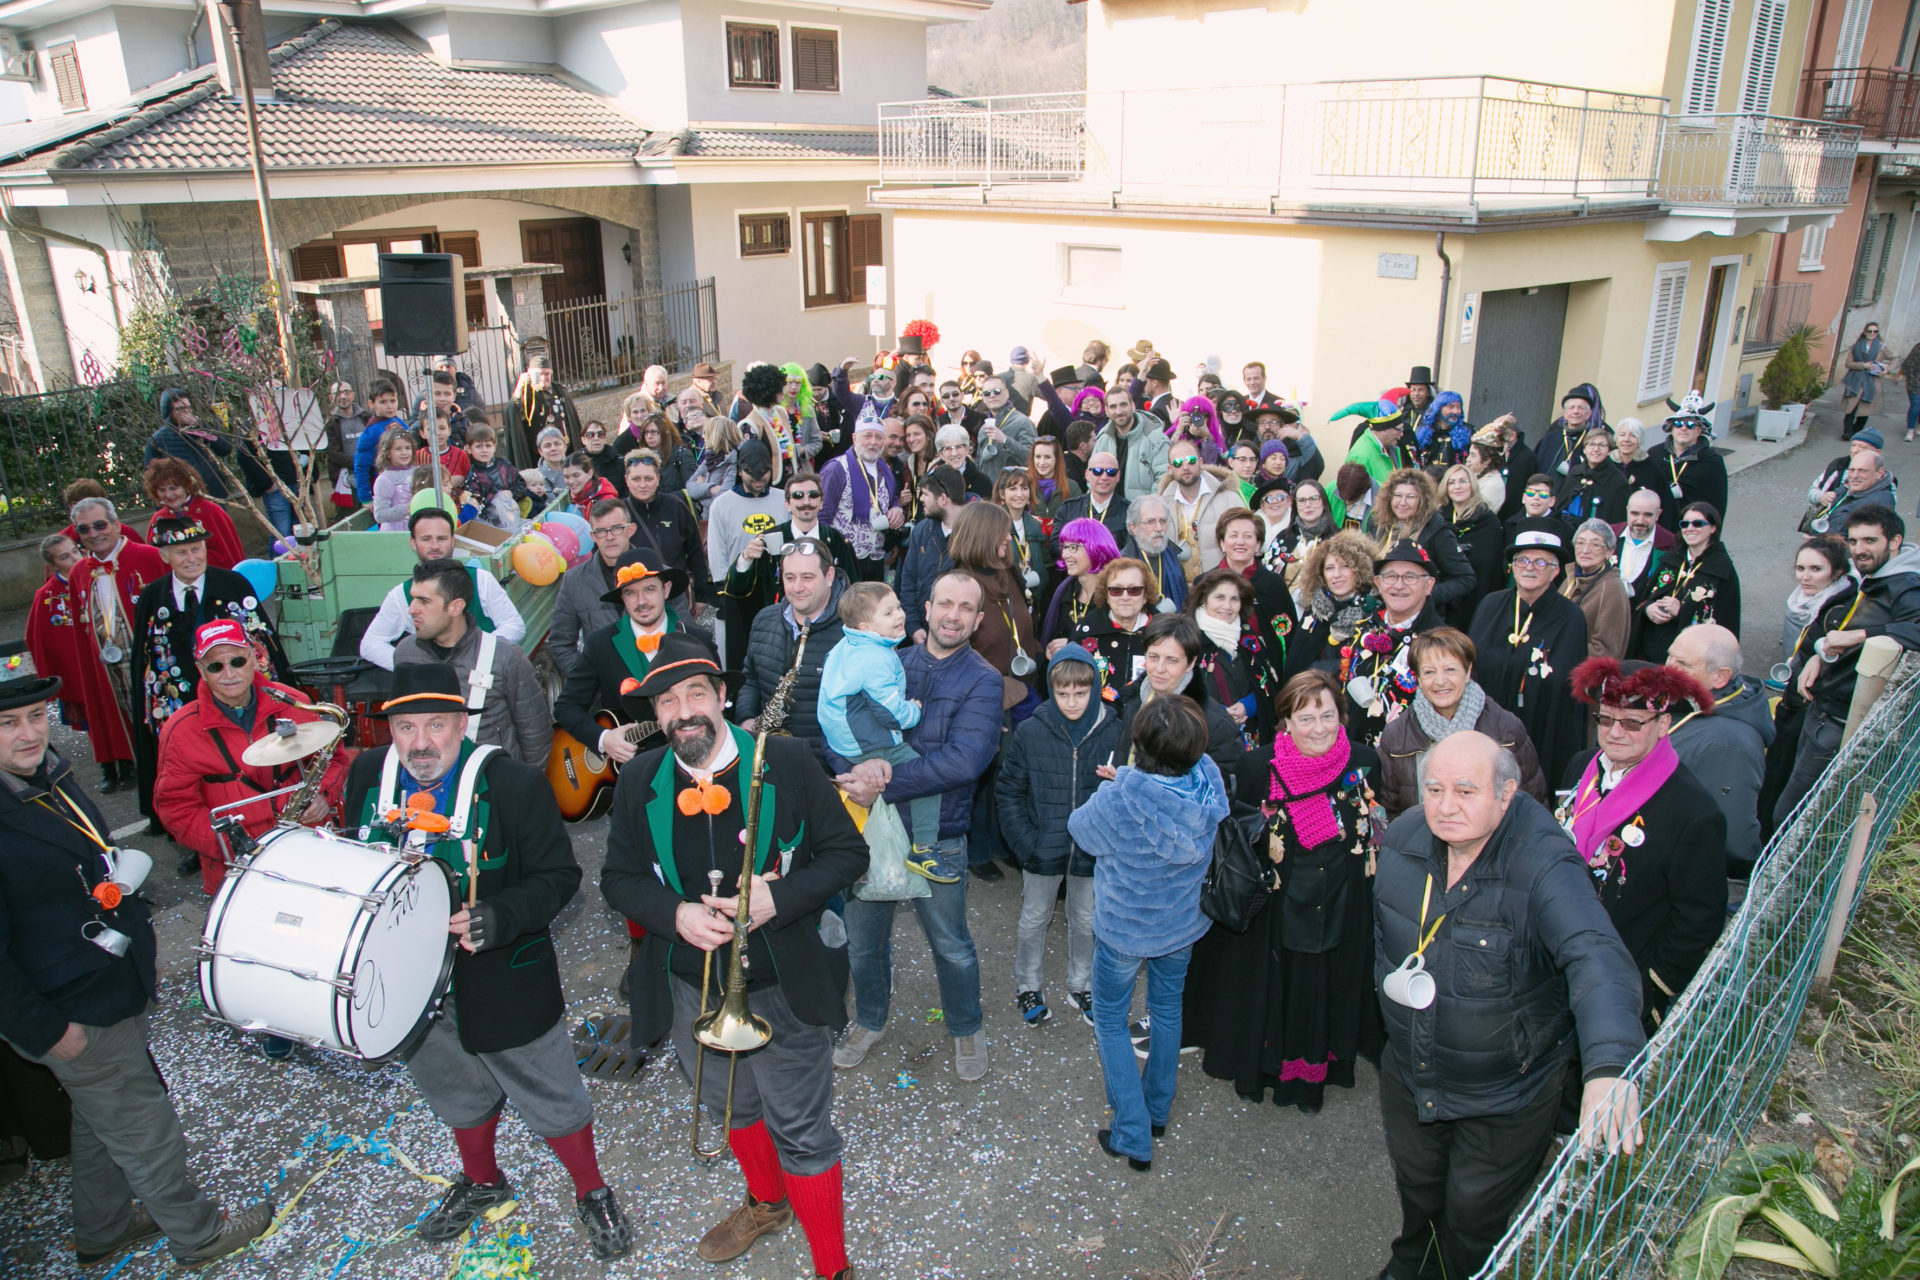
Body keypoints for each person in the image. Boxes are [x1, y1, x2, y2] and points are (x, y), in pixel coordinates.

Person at [599, 637, 865, 1279]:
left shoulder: (789, 760)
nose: (683, 711)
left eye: (696, 693)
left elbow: (847, 854)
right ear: (655, 714)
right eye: (667, 701)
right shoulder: (638, 779)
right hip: (690, 985)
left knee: (802, 1129)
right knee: (732, 1106)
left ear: (721, 697)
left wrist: (780, 898)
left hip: (780, 981)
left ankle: (833, 1267)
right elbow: (618, 878)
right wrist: (674, 914)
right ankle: (768, 1203)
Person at [344, 665, 630, 1259]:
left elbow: (561, 877)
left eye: (435, 725)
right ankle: (482, 1180)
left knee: (551, 1090)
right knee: (450, 1084)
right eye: (406, 727)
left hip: (503, 974)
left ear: (460, 724)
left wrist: (498, 917)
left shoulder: (514, 783)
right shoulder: (369, 774)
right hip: (408, 982)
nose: (421, 742)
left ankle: (591, 1188)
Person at [0, 672, 277, 1269]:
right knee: (144, 1126)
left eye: (36, 717)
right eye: (8, 724)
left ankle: (102, 1226)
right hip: (72, 1010)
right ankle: (198, 1235)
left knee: (102, 1116)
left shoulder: (47, 775)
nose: (29, 734)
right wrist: (47, 1032)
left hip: (108, 982)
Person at [1373, 731, 1646, 1280]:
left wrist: (1610, 1066)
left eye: (1465, 791)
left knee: (1472, 1217)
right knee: (1419, 1193)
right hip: (1413, 1075)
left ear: (1506, 793)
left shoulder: (1544, 863)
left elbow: (1595, 956)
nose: (1445, 807)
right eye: (1434, 789)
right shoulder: (1403, 839)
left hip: (1504, 1094)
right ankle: (1413, 1266)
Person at [1185, 668, 1383, 1111]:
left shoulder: (1364, 761)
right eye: (1306, 718)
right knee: (1280, 990)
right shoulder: (1259, 767)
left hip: (1341, 901)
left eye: (1327, 716)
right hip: (1277, 910)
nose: (1319, 728)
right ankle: (1272, 1070)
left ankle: (1317, 1075)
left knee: (1325, 989)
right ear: (1286, 722)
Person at [831, 571, 1001, 1083]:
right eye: (945, 603)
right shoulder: (885, 659)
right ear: (925, 609)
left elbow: (963, 762)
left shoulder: (983, 680)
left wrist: (881, 785)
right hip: (869, 830)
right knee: (864, 943)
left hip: (937, 834)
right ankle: (870, 1019)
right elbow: (836, 722)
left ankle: (966, 1026)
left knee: (951, 944)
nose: (953, 615)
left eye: (965, 608)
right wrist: (852, 771)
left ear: (978, 620)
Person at [1068, 697, 1230, 1171]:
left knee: (1110, 1019)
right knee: (1166, 1009)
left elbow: (1081, 830)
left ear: (1138, 746)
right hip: (1181, 924)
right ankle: (1157, 1109)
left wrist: (1118, 784)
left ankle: (1132, 1132)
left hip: (1125, 928)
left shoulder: (1121, 798)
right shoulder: (1208, 778)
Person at [1562, 658, 1728, 1030]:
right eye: (1606, 719)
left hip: (1621, 980)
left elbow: (1698, 921)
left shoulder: (1693, 813)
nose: (1615, 733)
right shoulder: (1580, 766)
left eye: (1632, 723)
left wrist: (1650, 990)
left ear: (1663, 724)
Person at [154, 619, 346, 903]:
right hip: (237, 867)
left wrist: (323, 795)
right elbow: (176, 808)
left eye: (237, 661)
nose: (229, 674)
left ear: (253, 658)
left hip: (307, 849)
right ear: (201, 670)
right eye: (215, 666)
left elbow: (334, 759)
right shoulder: (180, 730)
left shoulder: (293, 701)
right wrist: (230, 844)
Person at [130, 516, 286, 832]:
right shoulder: (152, 597)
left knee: (241, 763)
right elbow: (144, 663)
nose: (191, 558)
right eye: (181, 552)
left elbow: (264, 646)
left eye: (196, 549)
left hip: (235, 695)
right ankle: (200, 829)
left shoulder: (232, 585)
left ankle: (267, 816)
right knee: (194, 768)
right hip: (181, 703)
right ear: (164, 556)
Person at [998, 646, 1120, 1027]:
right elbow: (1009, 790)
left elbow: (1126, 791)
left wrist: (1109, 838)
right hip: (1042, 847)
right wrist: (1025, 843)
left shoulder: (1114, 731)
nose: (1071, 702)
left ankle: (1081, 984)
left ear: (1094, 689)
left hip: (1092, 850)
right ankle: (1027, 985)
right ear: (1051, 690)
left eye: (1080, 693)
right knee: (1034, 918)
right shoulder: (1032, 731)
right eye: (1062, 693)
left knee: (1086, 920)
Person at [1775, 505, 1920, 825]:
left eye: (1870, 540)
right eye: (1853, 541)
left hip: (1841, 722)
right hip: (1822, 709)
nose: (1859, 550)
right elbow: (1841, 629)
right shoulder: (1876, 577)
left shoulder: (1905, 585)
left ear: (1895, 541)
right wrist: (1819, 655)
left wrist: (1860, 635)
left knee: (1791, 815)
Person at [817, 581, 945, 871]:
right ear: (865, 626)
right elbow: (890, 713)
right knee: (926, 779)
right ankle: (924, 848)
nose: (900, 615)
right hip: (867, 742)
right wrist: (914, 711)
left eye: (898, 607)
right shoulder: (873, 658)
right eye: (888, 613)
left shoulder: (848, 645)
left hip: (843, 739)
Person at [554, 547, 705, 768]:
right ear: (622, 599)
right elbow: (566, 707)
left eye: (650, 589)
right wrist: (604, 739)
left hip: (691, 765)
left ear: (666, 589)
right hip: (630, 772)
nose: (641, 601)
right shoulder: (600, 645)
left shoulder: (697, 641)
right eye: (630, 593)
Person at [1374, 628, 1547, 820]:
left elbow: (1532, 807)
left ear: (1468, 671)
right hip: (1422, 838)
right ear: (1418, 679)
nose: (1440, 681)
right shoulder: (1397, 737)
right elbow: (1388, 814)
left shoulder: (1506, 729)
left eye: (1450, 670)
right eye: (1429, 672)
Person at [1467, 518, 1590, 786]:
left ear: (1555, 571)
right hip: (1485, 729)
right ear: (1512, 566)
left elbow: (1563, 690)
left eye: (1540, 562)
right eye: (1522, 560)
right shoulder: (1490, 605)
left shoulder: (1571, 618)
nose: (1529, 568)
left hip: (1539, 731)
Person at [394, 560, 552, 768]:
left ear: (455, 607)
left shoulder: (505, 657)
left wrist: (524, 783)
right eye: (413, 598)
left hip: (493, 780)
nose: (412, 609)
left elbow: (535, 735)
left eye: (424, 601)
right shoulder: (405, 653)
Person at [65, 497, 166, 796]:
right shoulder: (78, 573)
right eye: (84, 529)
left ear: (116, 524)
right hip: (110, 667)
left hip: (152, 662)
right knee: (133, 729)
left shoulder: (151, 557)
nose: (93, 534)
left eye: (100, 525)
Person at [1665, 623, 1775, 876]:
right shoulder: (1700, 700)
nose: (1668, 669)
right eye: (1670, 656)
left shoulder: (1729, 744)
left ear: (1720, 677)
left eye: (1683, 664)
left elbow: (1735, 844)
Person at [360, 509, 526, 671]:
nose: (435, 546)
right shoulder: (401, 594)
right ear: (413, 543)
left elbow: (514, 625)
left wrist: (480, 654)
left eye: (442, 538)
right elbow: (371, 643)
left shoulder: (481, 580)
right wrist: (414, 668)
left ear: (452, 540)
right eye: (426, 539)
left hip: (485, 676)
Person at [736, 537, 844, 755]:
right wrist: (746, 718)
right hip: (769, 755)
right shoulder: (764, 619)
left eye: (807, 577)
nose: (797, 587)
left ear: (829, 576)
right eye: (789, 577)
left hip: (829, 762)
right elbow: (751, 678)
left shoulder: (854, 629)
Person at [722, 468, 857, 617]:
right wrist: (746, 559)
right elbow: (739, 590)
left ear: (821, 502)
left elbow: (852, 591)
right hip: (779, 622)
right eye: (798, 496)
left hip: (829, 621)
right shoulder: (767, 539)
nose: (806, 502)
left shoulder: (837, 541)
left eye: (813, 495)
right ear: (787, 504)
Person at [1187, 564, 1286, 745]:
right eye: (1219, 597)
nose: (1227, 606)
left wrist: (1248, 706)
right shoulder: (1187, 639)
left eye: (1234, 599)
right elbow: (1178, 692)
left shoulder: (1249, 640)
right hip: (1205, 742)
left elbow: (1270, 685)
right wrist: (1219, 712)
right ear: (1203, 600)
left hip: (1253, 741)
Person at [1635, 501, 1739, 664]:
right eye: (1685, 524)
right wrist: (1649, 608)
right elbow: (1646, 597)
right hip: (1653, 652)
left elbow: (1723, 623)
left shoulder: (1722, 570)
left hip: (1692, 659)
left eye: (1697, 523)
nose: (1689, 528)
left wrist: (1682, 612)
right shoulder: (1671, 560)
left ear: (1713, 528)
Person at [1365, 470, 1477, 618]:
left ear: (1422, 500)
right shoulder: (1378, 524)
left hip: (1421, 617)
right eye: (1397, 496)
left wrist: (1423, 595)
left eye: (1410, 497)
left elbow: (1466, 579)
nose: (1402, 502)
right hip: (1381, 612)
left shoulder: (1437, 531)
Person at [623, 450, 712, 619]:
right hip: (635, 600)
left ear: (658, 478)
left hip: (675, 597)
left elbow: (695, 553)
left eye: (648, 478)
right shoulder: (619, 513)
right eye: (636, 479)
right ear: (626, 480)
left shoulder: (676, 507)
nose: (643, 485)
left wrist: (701, 595)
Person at [550, 500, 633, 677]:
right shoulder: (574, 580)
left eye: (617, 528)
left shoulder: (657, 574)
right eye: (601, 531)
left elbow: (680, 632)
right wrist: (585, 680)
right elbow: (560, 642)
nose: (609, 537)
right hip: (603, 685)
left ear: (631, 530)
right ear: (593, 536)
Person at [818, 417, 905, 583]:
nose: (873, 442)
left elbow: (892, 499)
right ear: (854, 438)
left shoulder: (885, 469)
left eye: (878, 437)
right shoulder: (837, 469)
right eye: (867, 436)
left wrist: (897, 509)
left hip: (875, 558)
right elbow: (822, 516)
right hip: (844, 560)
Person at [27, 534, 90, 738]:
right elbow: (37, 639)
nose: (74, 558)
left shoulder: (97, 576)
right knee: (92, 722)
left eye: (75, 551)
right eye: (64, 557)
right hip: (77, 673)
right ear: (53, 565)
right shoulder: (47, 595)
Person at [898, 465, 967, 643]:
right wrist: (912, 626)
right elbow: (908, 580)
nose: (920, 499)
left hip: (957, 636)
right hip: (921, 634)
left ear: (943, 499)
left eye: (925, 494)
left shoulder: (974, 535)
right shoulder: (922, 530)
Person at [1291, 530, 1378, 668]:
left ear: (1361, 569)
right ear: (1321, 574)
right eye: (1329, 568)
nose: (1336, 575)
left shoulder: (1373, 610)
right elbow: (1295, 667)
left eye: (1345, 566)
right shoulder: (1315, 611)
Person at [142, 459, 243, 570]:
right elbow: (152, 561)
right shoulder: (158, 520)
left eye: (173, 488)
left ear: (187, 485)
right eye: (162, 490)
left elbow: (229, 556)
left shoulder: (211, 512)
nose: (168, 495)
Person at [1075, 557, 1157, 688]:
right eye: (1116, 590)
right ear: (1107, 596)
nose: (1125, 597)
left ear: (1146, 595)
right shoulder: (1085, 631)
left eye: (1134, 590)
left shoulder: (1164, 633)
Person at [1644, 405, 1728, 534]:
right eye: (1678, 424)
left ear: (1699, 430)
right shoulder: (1655, 454)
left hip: (1692, 529)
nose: (1683, 428)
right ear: (1672, 428)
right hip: (1658, 528)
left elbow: (1718, 504)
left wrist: (1712, 536)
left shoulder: (1712, 462)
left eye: (1690, 424)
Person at [1041, 517, 1121, 653]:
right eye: (1064, 547)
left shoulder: (1119, 593)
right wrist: (1051, 649)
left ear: (1095, 548)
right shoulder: (1065, 592)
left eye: (1073, 548)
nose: (1065, 554)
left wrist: (1074, 646)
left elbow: (1123, 642)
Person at [145, 387, 237, 502]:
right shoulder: (157, 440)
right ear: (169, 412)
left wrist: (202, 427)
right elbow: (152, 477)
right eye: (180, 409)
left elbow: (225, 449)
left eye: (189, 407)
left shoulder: (198, 429)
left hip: (214, 493)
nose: (187, 412)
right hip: (184, 498)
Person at [1563, 519, 1631, 659]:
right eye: (1580, 543)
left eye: (1595, 545)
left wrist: (1559, 650)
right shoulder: (1571, 577)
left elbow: (1605, 651)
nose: (1585, 550)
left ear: (1609, 552)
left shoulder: (1612, 589)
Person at [1092, 386, 1170, 501]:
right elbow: (1092, 478)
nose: (1119, 411)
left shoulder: (1156, 439)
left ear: (1133, 406)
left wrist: (1148, 506)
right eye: (1113, 407)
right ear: (1107, 411)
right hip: (1108, 509)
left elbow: (1164, 478)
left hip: (1143, 509)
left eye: (1123, 405)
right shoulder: (1102, 440)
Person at [1782, 536, 1852, 663]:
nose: (1805, 577)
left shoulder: (1841, 611)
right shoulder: (1798, 600)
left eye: (1816, 569)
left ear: (1837, 572)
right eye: (1800, 568)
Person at [1804, 426, 1893, 525]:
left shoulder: (1886, 482)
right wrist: (1821, 497)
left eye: (1863, 447)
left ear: (1877, 453)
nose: (1855, 450)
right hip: (1824, 523)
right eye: (1853, 445)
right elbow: (1812, 491)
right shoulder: (1839, 466)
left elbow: (1888, 514)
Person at [1120, 494, 1190, 613]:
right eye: (1150, 522)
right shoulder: (1122, 564)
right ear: (1133, 527)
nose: (1159, 528)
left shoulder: (1174, 560)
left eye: (1162, 521)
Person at [1553, 428, 1630, 527]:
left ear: (1609, 451)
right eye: (1591, 444)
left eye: (1602, 445)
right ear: (1584, 450)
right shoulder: (1575, 472)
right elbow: (1560, 506)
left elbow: (1618, 521)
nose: (1596, 449)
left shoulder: (1618, 482)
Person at [509, 354, 582, 458]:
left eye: (546, 374)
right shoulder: (524, 396)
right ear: (529, 374)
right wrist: (519, 388)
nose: (543, 378)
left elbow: (573, 424)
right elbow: (512, 412)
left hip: (565, 453)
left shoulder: (561, 392)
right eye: (539, 374)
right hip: (537, 457)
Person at [1612, 489, 1674, 606]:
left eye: (1648, 515)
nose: (1640, 521)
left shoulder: (1671, 544)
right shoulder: (1608, 534)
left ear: (1658, 514)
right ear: (1627, 510)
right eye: (1635, 513)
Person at [463, 423, 533, 527]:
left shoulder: (504, 465)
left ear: (494, 447)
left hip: (513, 513)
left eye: (488, 445)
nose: (484, 450)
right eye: (478, 446)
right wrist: (492, 501)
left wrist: (511, 493)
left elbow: (521, 485)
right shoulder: (473, 475)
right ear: (469, 449)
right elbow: (475, 501)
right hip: (490, 522)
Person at [1534, 383, 1607, 480]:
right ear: (1564, 413)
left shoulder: (1594, 443)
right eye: (1571, 408)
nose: (1575, 411)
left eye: (1581, 408)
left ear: (1589, 414)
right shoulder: (1549, 439)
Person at [1055, 448, 1130, 542]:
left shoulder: (1129, 512)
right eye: (1097, 471)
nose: (1104, 477)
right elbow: (1057, 544)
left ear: (1118, 476)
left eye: (1111, 472)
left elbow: (1132, 548)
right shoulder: (1068, 509)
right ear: (1087, 475)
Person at [352, 379, 408, 504]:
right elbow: (361, 467)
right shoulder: (370, 433)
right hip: (385, 490)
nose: (389, 406)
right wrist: (366, 499)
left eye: (392, 401)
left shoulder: (401, 423)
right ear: (371, 404)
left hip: (405, 484)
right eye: (383, 402)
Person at [1820, 448, 1897, 537]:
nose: (1854, 476)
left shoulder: (1879, 503)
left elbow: (1863, 541)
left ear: (1880, 473)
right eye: (1852, 470)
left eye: (1862, 471)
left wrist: (1817, 540)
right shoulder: (1848, 489)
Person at [1839, 321, 1887, 439]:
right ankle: (1847, 432)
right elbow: (1848, 364)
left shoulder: (1882, 347)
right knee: (1851, 407)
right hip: (1855, 380)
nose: (1872, 333)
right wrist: (1863, 365)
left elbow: (1894, 358)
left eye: (1875, 331)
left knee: (1864, 409)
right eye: (1870, 331)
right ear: (1865, 332)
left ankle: (1856, 431)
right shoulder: (1856, 346)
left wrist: (1886, 369)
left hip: (1872, 381)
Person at [371, 426, 421, 531]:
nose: (404, 452)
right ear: (388, 453)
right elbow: (380, 515)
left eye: (407, 448)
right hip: (395, 533)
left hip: (417, 529)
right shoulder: (385, 479)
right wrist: (407, 508)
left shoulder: (417, 472)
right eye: (398, 449)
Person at [1346, 412, 1409, 489]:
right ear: (1384, 429)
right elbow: (1354, 493)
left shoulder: (1389, 447)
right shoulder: (1360, 457)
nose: (1402, 434)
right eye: (1399, 429)